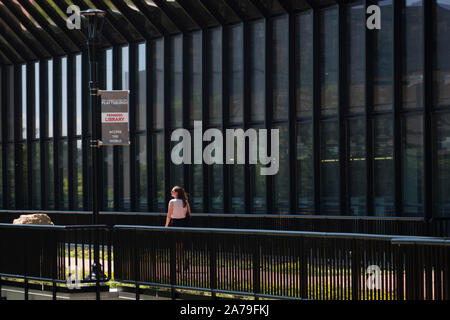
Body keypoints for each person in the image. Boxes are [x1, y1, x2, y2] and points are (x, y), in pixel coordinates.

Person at [165, 186, 191, 272]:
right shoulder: (185, 201)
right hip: (183, 224)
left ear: (177, 193)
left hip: (175, 224)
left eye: (172, 191)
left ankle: (180, 265)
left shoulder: (172, 202)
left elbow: (169, 215)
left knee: (176, 247)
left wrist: (166, 226)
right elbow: (189, 214)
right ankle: (183, 262)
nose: (171, 193)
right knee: (181, 246)